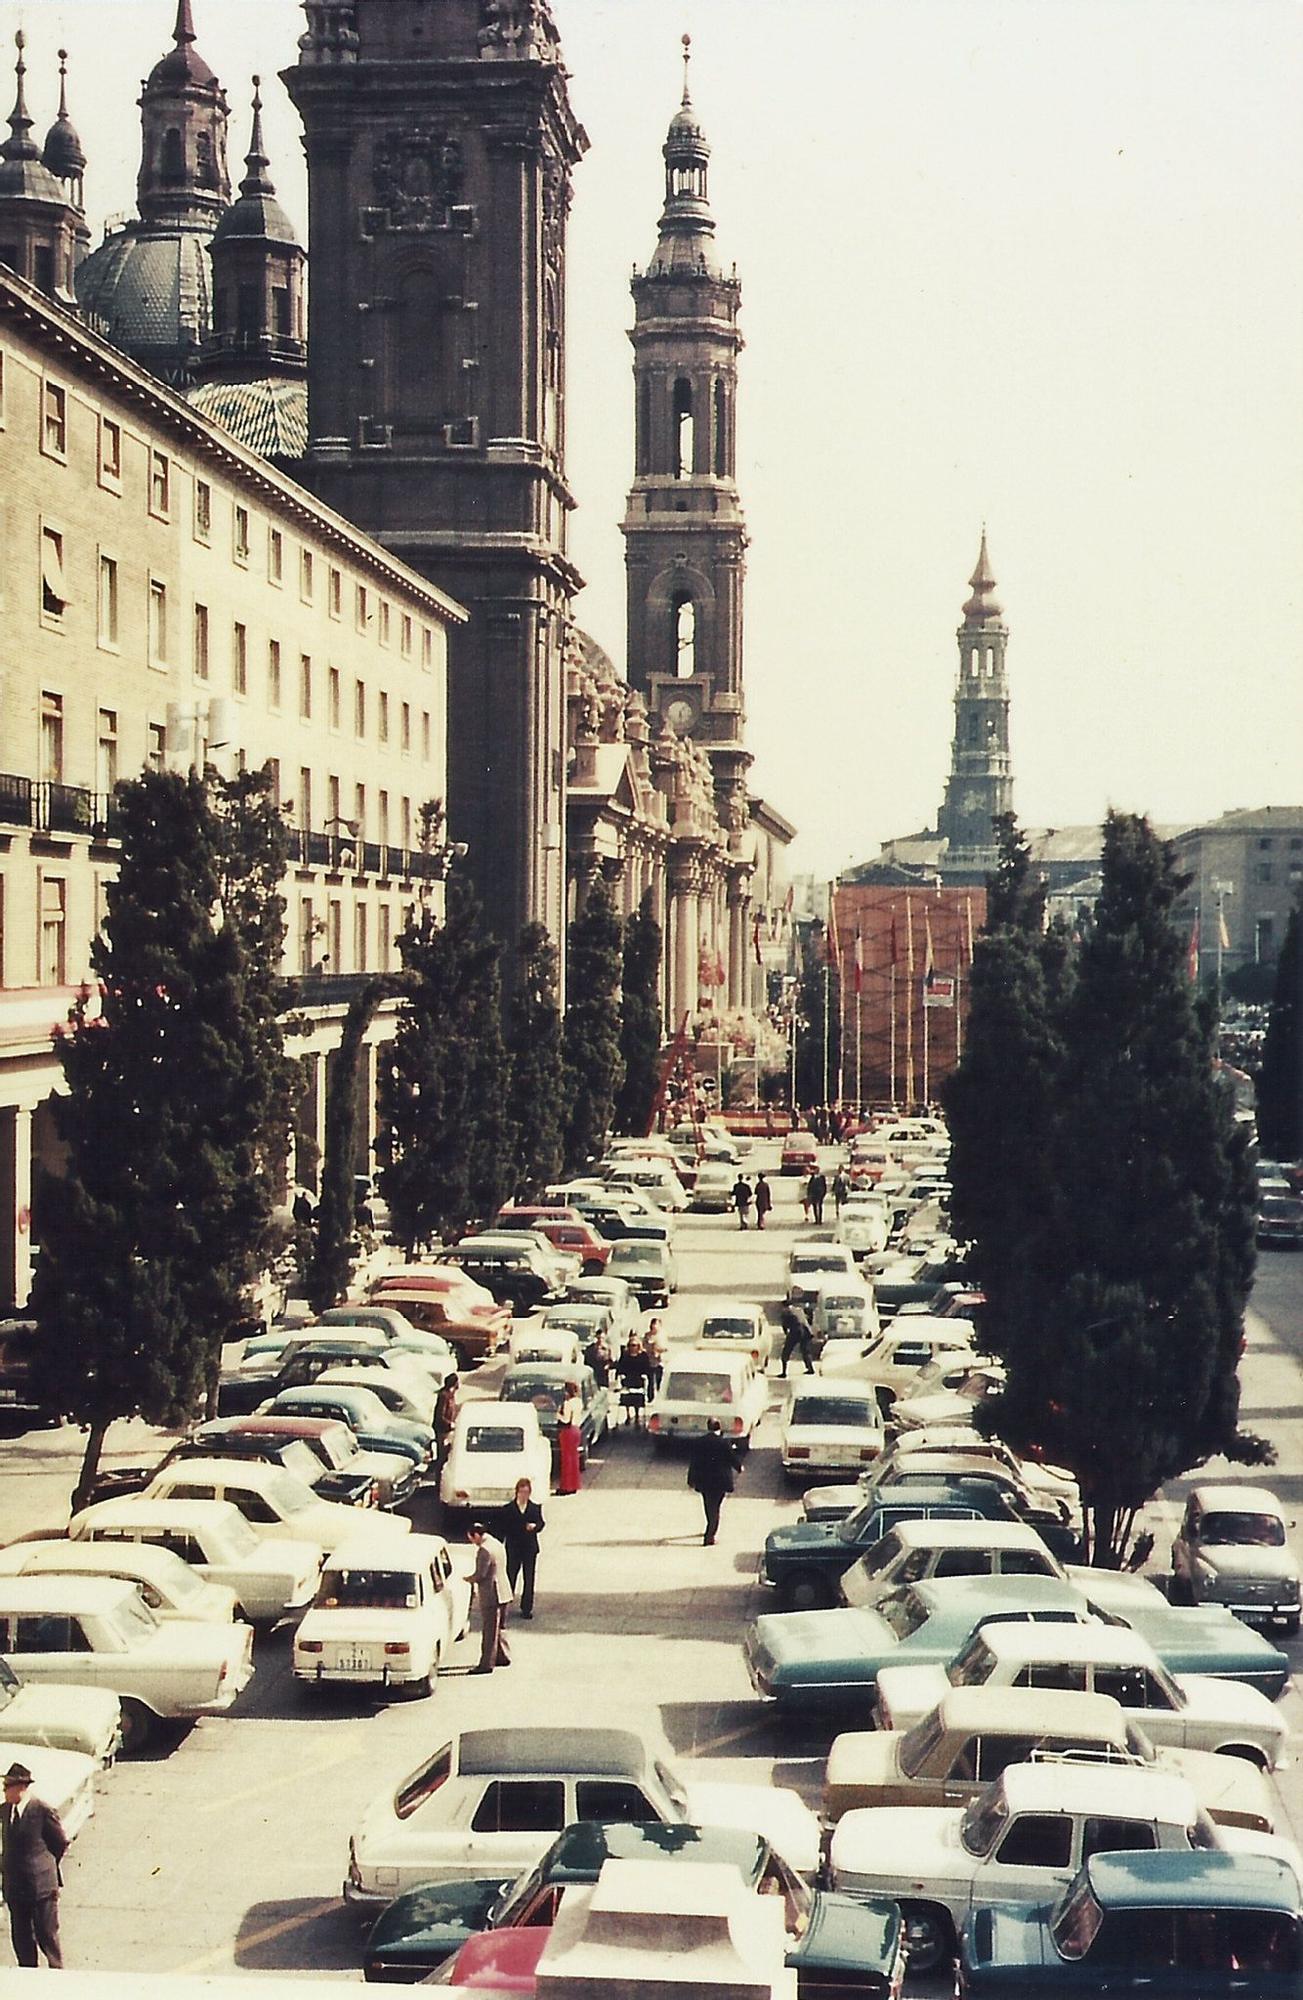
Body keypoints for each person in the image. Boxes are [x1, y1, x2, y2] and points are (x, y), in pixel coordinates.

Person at [1, 1762, 67, 1969]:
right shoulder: (5, 1810)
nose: (4, 1791)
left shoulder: (42, 1811)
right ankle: (28, 1976)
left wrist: (43, 1867)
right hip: (15, 1888)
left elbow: (60, 1842)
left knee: (46, 1935)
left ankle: (57, 1974)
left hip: (40, 1888)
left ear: (21, 1787)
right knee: (21, 1939)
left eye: (7, 1787)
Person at [467, 1521, 512, 1672]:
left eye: (472, 1538)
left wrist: (467, 1579)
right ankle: (503, 1656)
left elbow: (481, 1574)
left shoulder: (484, 1550)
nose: (473, 1542)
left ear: (476, 1535)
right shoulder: (496, 1544)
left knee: (489, 1631)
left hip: (492, 1594)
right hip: (504, 1590)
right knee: (499, 1628)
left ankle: (486, 1664)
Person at [498, 1478, 545, 1619]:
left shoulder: (534, 1508)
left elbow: (541, 1523)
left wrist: (535, 1527)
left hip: (529, 1548)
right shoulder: (508, 1509)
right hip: (514, 1547)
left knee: (529, 1578)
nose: (524, 1495)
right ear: (517, 1492)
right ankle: (505, 1604)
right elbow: (502, 1527)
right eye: (521, 1492)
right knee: (510, 1576)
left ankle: (526, 1608)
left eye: (526, 1492)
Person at [686, 1419, 737, 1545]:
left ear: (708, 1427)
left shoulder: (699, 1442)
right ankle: (710, 1535)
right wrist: (739, 1468)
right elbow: (732, 1459)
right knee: (716, 1508)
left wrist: (691, 1479)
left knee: (709, 1506)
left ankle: (710, 1525)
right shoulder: (724, 1443)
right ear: (719, 1427)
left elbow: (694, 1462)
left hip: (705, 1481)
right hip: (720, 1481)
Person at [556, 1382, 583, 1494]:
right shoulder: (578, 1402)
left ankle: (566, 1486)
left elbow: (566, 1419)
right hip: (576, 1430)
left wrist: (558, 1415)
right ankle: (574, 1485)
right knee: (574, 1458)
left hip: (568, 1431)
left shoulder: (568, 1403)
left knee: (566, 1459)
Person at [617, 1337, 650, 1426]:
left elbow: (647, 1367)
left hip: (638, 1379)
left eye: (634, 1345)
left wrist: (644, 1375)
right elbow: (620, 1366)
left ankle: (637, 1415)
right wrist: (621, 1374)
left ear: (638, 1346)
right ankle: (628, 1414)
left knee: (637, 1397)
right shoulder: (625, 1355)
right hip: (628, 1379)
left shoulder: (643, 1356)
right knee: (626, 1396)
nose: (632, 1347)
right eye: (631, 1345)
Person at [779, 1301, 815, 1377]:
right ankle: (810, 1368)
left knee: (786, 1351)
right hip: (806, 1331)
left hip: (795, 1331)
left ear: (784, 1306)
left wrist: (786, 1335)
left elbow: (784, 1326)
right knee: (805, 1351)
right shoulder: (799, 1310)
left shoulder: (785, 1312)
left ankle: (784, 1372)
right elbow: (807, 1319)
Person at [434, 1373, 460, 1470]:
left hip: (449, 1430)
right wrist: (450, 1424)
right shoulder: (444, 1396)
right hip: (442, 1430)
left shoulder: (451, 1395)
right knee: (442, 1456)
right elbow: (440, 1415)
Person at [643, 1317, 666, 1396]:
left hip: (659, 1361)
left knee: (659, 1379)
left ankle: (659, 1393)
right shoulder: (647, 1336)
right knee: (650, 1380)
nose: (654, 1326)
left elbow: (665, 1347)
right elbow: (644, 1346)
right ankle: (650, 1396)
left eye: (656, 1324)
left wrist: (658, 1351)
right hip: (649, 1361)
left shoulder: (662, 1336)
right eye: (653, 1324)